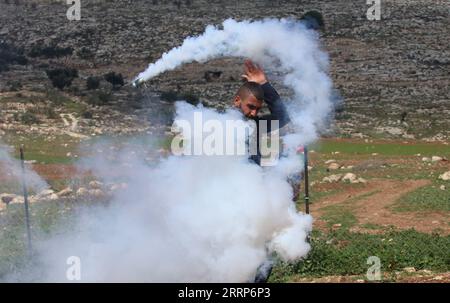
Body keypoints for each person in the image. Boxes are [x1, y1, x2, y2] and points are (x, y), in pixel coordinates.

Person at [233, 60, 301, 282]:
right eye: (250, 107)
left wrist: (265, 85)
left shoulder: (259, 126)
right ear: (237, 102)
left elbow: (283, 117)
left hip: (254, 204)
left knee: (262, 260)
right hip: (227, 207)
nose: (253, 113)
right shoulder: (217, 124)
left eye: (257, 109)